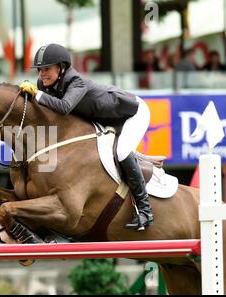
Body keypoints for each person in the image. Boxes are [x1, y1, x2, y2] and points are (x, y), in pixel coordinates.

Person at [19, 43, 154, 231]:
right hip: (102, 119)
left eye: (47, 69)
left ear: (62, 67)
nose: (42, 74)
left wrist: (37, 94)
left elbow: (64, 107)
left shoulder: (76, 82)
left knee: (122, 151)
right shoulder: (45, 84)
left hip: (132, 114)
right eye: (39, 70)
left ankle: (145, 210)